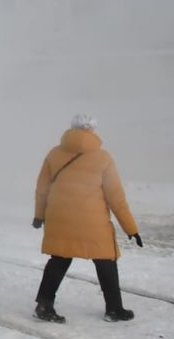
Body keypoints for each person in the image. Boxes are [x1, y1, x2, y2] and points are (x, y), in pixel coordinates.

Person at [32, 114, 143, 323]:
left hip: (60, 218)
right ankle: (114, 309)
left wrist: (39, 215)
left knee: (59, 260)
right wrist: (130, 228)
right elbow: (116, 197)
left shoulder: (54, 154)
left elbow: (42, 189)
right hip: (92, 223)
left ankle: (44, 305)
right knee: (106, 261)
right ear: (92, 130)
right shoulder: (103, 158)